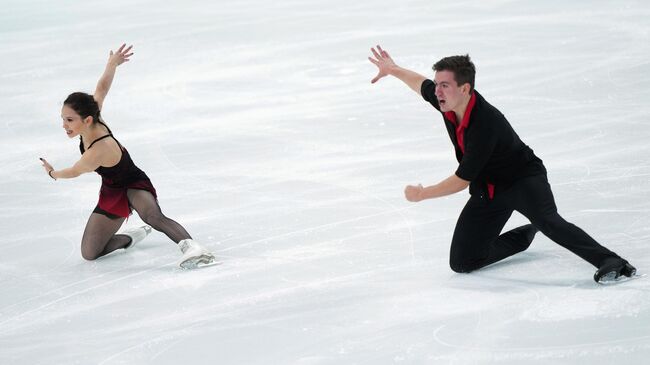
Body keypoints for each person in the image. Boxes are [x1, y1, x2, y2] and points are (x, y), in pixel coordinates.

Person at [368, 45, 635, 283]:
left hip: (523, 180)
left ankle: (612, 262)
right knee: (462, 262)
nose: (437, 91)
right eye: (437, 84)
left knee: (551, 222)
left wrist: (423, 193)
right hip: (489, 188)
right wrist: (392, 69)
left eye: (444, 85)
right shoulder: (447, 102)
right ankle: (525, 234)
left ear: (465, 89)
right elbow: (420, 84)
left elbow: (461, 180)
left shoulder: (485, 123)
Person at [40, 44, 215, 269]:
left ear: (87, 120)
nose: (64, 125)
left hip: (133, 184)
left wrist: (53, 173)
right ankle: (131, 237)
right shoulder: (94, 114)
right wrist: (111, 64)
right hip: (112, 190)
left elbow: (74, 171)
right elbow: (101, 89)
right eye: (63, 119)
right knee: (90, 252)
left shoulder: (97, 150)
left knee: (153, 216)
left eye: (69, 120)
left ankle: (193, 248)